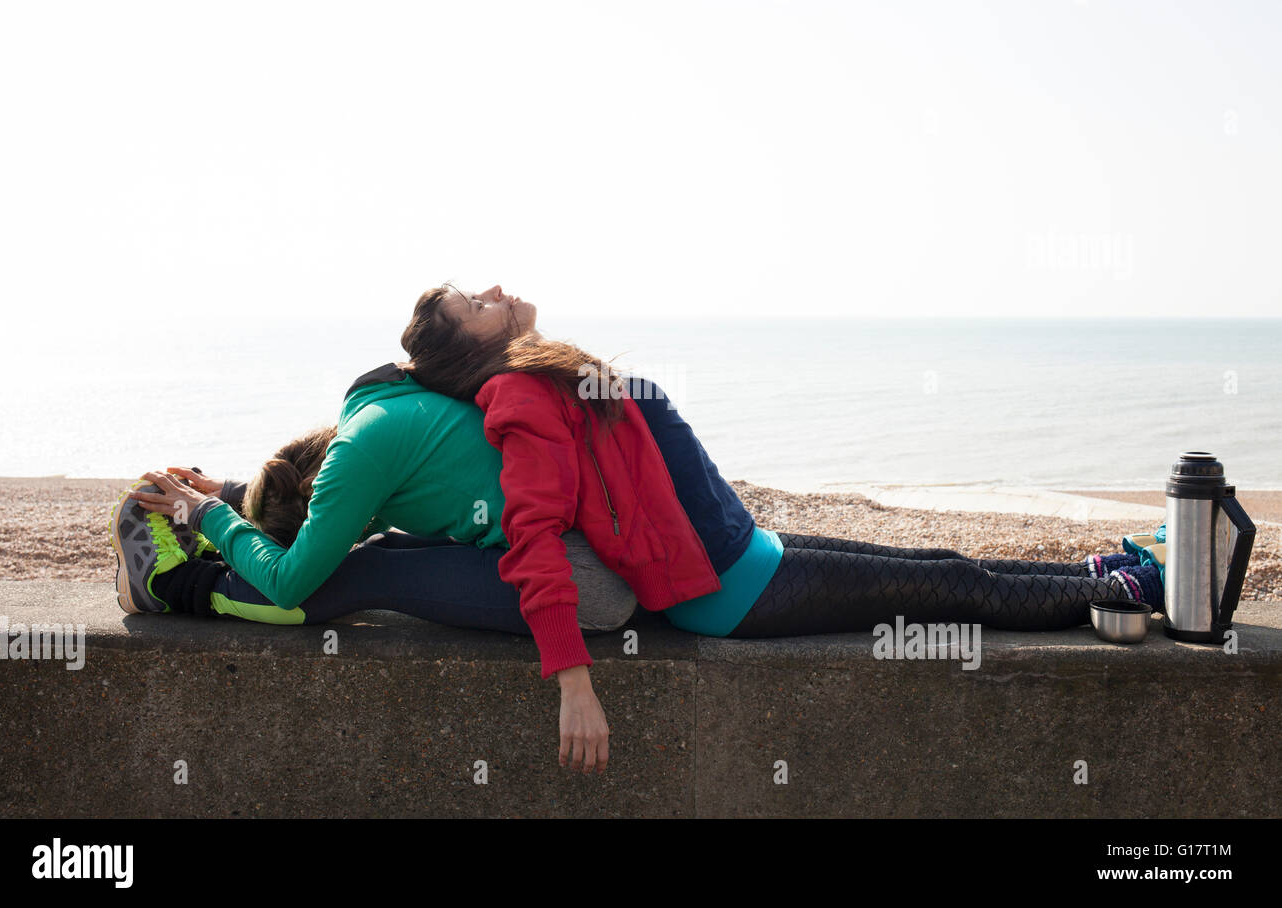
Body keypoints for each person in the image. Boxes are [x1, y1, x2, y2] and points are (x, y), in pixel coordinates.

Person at [385, 283, 1165, 774]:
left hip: (753, 554)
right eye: (476, 307)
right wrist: (574, 683)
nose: (493, 290)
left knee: (943, 561)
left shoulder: (539, 371)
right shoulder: (519, 398)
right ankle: (1120, 590)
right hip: (731, 594)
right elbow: (532, 536)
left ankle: (1094, 578)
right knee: (955, 589)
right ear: (478, 349)